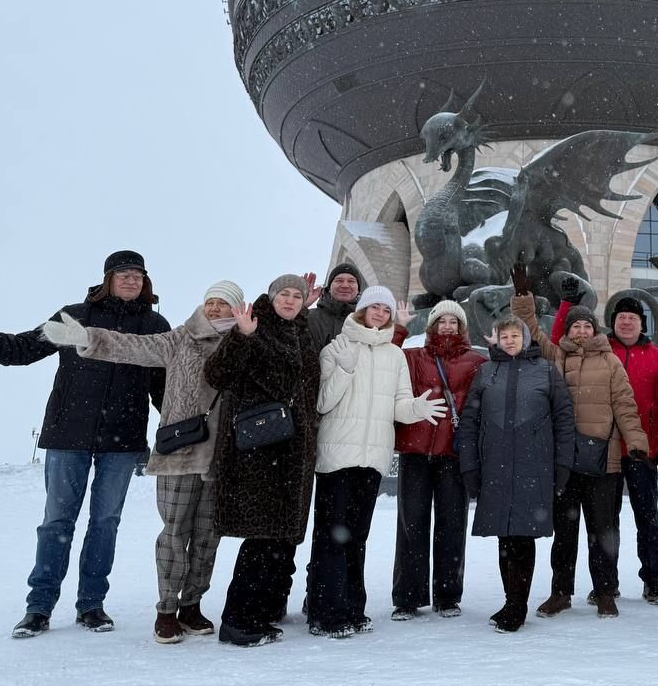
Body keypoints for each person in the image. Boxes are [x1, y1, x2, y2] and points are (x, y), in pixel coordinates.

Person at [0, 250, 169, 638]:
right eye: (123, 273)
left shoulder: (154, 326)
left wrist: (184, 430)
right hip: (69, 436)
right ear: (107, 279)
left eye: (138, 275)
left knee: (105, 523)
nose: (131, 280)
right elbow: (20, 349)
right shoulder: (74, 318)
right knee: (56, 523)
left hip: (123, 441)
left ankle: (91, 605)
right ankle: (39, 607)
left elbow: (165, 389)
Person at [41, 279, 244, 644]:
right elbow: (134, 346)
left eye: (224, 303)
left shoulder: (244, 343)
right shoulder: (180, 338)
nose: (216, 309)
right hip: (181, 452)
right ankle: (166, 610)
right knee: (174, 535)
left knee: (207, 538)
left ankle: (192, 605)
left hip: (222, 457)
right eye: (211, 302)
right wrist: (89, 338)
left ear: (237, 309)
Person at [510, 265, 649, 619]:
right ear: (569, 330)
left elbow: (625, 405)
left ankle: (605, 592)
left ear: (595, 330)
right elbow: (531, 332)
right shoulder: (557, 357)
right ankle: (560, 592)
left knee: (602, 531)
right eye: (576, 326)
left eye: (587, 326)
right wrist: (523, 299)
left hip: (603, 461)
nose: (582, 331)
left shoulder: (611, 363)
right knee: (565, 532)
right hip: (565, 462)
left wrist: (636, 442)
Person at [309, 285, 446, 636]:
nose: (381, 314)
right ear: (362, 310)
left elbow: (398, 405)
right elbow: (322, 403)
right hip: (337, 456)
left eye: (386, 310)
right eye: (375, 308)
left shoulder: (394, 356)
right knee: (331, 538)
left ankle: (353, 608)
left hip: (372, 458)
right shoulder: (337, 347)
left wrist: (416, 408)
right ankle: (325, 613)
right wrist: (344, 370)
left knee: (357, 537)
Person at [205, 275, 321, 647]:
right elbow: (217, 374)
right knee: (260, 538)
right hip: (259, 452)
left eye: (296, 296)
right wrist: (242, 336)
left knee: (279, 539)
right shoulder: (253, 325)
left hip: (292, 452)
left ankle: (262, 611)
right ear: (271, 298)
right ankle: (237, 621)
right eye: (283, 294)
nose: (290, 300)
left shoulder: (298, 331)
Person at [457, 315, 576, 632]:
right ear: (496, 339)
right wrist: (469, 464)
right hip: (495, 466)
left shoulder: (545, 370)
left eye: (515, 335)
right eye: (504, 336)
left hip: (533, 466)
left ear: (525, 338)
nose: (510, 341)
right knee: (505, 538)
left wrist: (562, 465)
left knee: (522, 536)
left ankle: (517, 607)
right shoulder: (486, 372)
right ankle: (511, 601)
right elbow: (469, 422)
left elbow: (564, 419)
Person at [390, 299, 484, 620]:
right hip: (416, 451)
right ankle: (407, 597)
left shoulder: (475, 361)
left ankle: (447, 596)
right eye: (441, 321)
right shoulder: (414, 357)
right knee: (411, 524)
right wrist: (400, 328)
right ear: (432, 326)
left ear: (461, 327)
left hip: (453, 454)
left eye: (453, 322)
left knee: (452, 525)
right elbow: (387, 360)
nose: (447, 326)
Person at [603, 296, 658, 606]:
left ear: (642, 324)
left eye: (632, 318)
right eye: (621, 317)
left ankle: (652, 581)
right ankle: (606, 582)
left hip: (641, 451)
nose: (626, 322)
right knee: (606, 521)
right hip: (607, 450)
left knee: (648, 518)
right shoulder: (602, 351)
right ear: (613, 322)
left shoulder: (656, 357)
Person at [307, 263, 365, 353]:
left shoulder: (366, 321)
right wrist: (300, 307)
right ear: (329, 288)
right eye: (339, 281)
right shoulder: (308, 317)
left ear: (358, 289)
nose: (345, 285)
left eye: (351, 281)